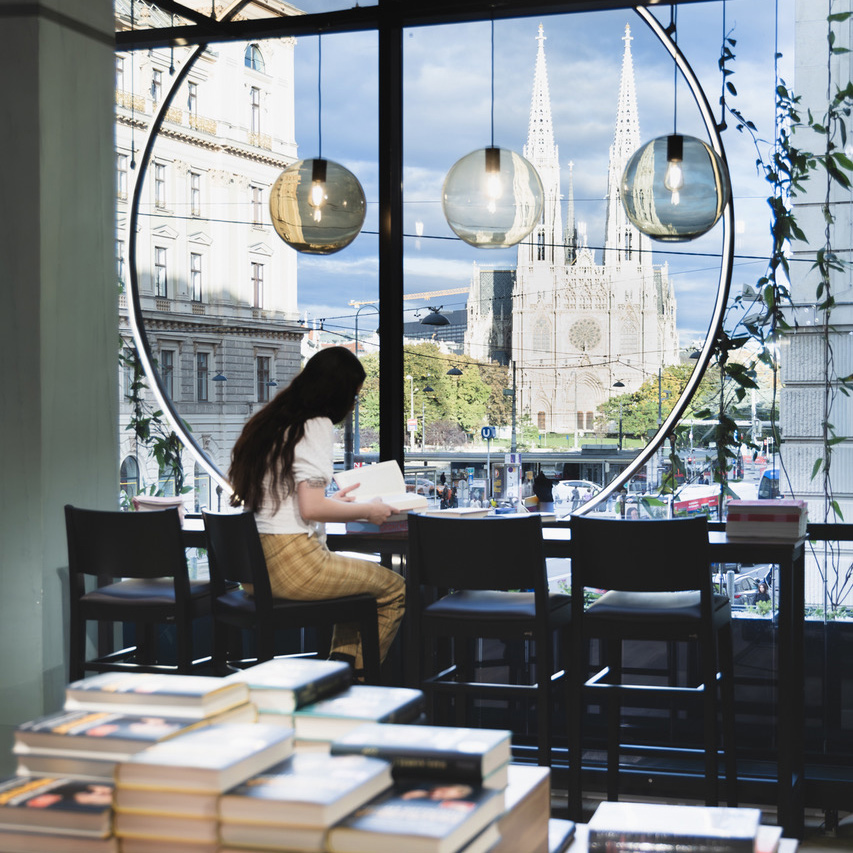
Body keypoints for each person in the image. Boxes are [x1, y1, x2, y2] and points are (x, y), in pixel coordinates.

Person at [228, 347, 406, 678]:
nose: (353, 406)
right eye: (353, 396)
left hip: (255, 571)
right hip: (294, 564)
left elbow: (292, 502)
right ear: (337, 392)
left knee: (359, 588)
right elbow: (311, 507)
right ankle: (352, 682)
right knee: (394, 589)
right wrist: (370, 511)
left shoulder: (273, 424)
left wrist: (332, 500)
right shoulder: (316, 424)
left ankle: (339, 673)